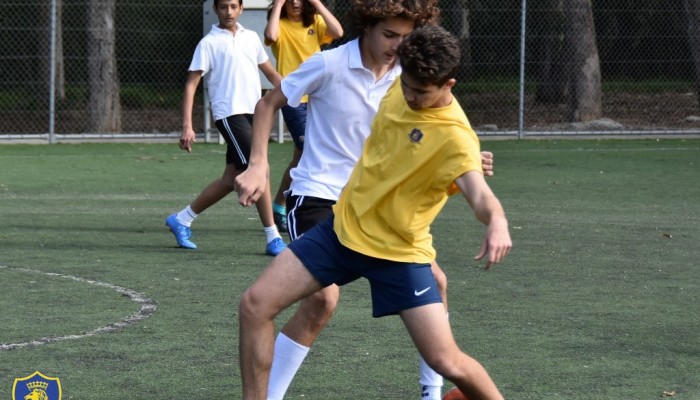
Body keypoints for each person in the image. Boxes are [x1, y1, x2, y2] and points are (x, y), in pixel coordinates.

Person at [235, 1, 495, 399]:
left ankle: (431, 392)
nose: (397, 45)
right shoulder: (330, 64)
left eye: (406, 37)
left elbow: (437, 139)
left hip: (375, 213)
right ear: (368, 28)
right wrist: (258, 165)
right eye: (390, 35)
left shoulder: (407, 79)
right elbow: (269, 103)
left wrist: (466, 166)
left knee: (438, 286)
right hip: (319, 195)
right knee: (321, 299)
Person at [165, 0, 287, 256]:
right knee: (259, 168)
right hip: (229, 115)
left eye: (233, 6)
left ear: (241, 8)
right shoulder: (208, 43)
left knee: (230, 179)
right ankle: (273, 236)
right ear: (216, 10)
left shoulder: (251, 38)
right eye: (223, 7)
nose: (228, 12)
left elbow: (271, 73)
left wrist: (295, 90)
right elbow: (191, 84)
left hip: (255, 113)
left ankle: (182, 219)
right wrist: (187, 125)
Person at [264, 0, 344, 232]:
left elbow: (338, 32)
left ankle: (281, 205)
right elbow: (270, 35)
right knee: (308, 148)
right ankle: (289, 203)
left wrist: (316, 3)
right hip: (293, 97)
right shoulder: (278, 24)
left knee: (303, 153)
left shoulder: (315, 22)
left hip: (319, 97)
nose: (296, 2)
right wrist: (278, 5)